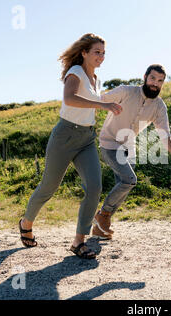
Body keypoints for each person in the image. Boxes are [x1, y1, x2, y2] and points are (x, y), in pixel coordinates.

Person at [18, 33, 122, 259]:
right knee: (49, 186)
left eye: (103, 53)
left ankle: (78, 242)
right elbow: (70, 99)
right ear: (84, 53)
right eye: (97, 52)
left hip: (86, 138)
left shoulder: (96, 80)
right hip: (65, 135)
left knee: (94, 187)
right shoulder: (75, 73)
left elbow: (88, 106)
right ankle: (26, 222)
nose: (101, 57)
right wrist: (103, 105)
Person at [92, 64, 171, 240]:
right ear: (145, 77)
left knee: (125, 186)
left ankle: (100, 228)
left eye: (160, 81)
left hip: (128, 147)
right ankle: (102, 215)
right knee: (130, 180)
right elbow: (100, 100)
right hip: (109, 143)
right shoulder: (126, 91)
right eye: (152, 79)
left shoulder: (159, 107)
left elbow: (165, 134)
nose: (155, 84)